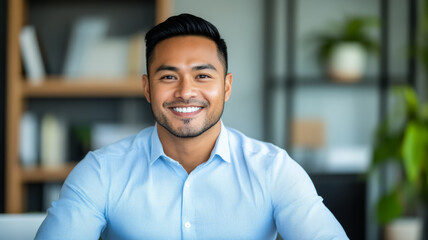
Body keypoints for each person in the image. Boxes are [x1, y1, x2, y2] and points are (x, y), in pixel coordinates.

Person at [36, 13, 348, 240]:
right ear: (147, 88)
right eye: (169, 77)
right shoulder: (101, 172)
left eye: (202, 76)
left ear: (226, 87)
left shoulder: (274, 170)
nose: (185, 92)